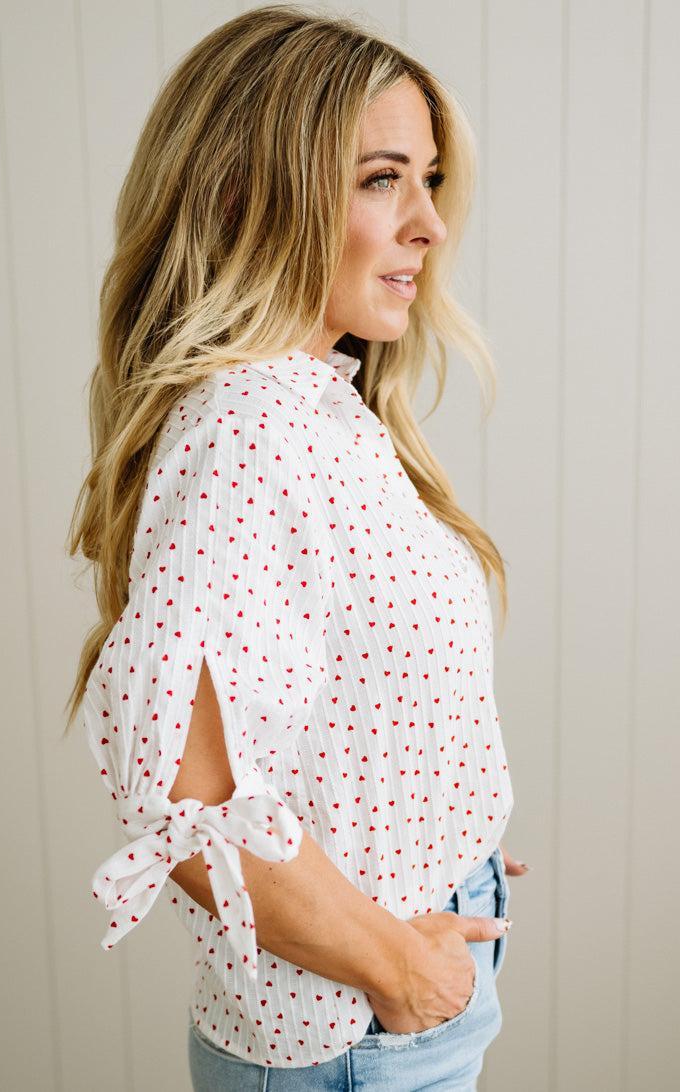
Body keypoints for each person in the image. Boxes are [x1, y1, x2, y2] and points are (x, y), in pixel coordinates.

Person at [64, 4, 530, 1089]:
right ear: (242, 191)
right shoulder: (249, 428)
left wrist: (430, 827)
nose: (429, 225)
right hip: (358, 1035)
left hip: (390, 1005)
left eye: (428, 180)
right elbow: (185, 805)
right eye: (380, 179)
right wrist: (399, 973)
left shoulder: (318, 409)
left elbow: (327, 707)